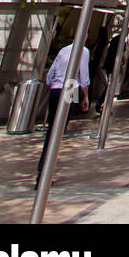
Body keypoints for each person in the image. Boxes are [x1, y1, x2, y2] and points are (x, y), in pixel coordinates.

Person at [36, 42, 90, 184]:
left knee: (52, 130)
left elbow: (49, 76)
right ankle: (46, 172)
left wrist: (55, 84)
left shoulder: (63, 49)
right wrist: (85, 96)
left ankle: (43, 170)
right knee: (59, 132)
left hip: (56, 87)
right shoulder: (84, 51)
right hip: (71, 86)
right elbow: (84, 76)